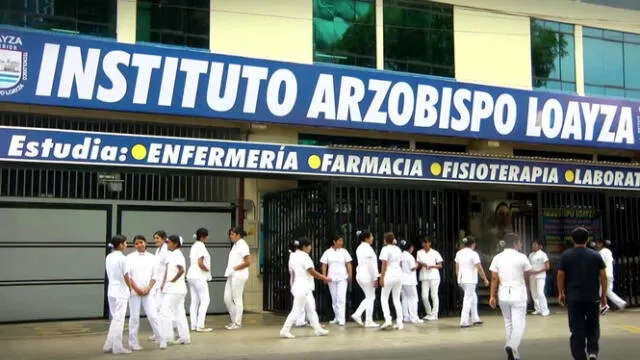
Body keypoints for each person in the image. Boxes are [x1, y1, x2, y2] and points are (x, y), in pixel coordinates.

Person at [557, 227, 608, 360]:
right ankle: (592, 351)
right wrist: (604, 296)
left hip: (574, 298)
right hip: (592, 297)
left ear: (572, 240)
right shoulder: (595, 255)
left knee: (576, 327)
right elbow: (603, 276)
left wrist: (561, 292)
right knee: (593, 324)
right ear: (587, 239)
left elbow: (560, 275)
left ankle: (579, 355)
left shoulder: (566, 255)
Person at [489, 233, 532, 360]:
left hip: (503, 294)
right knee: (519, 324)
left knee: (508, 323)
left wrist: (492, 295)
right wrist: (527, 289)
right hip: (518, 293)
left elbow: (494, 277)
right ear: (515, 243)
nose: (521, 245)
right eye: (519, 242)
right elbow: (528, 274)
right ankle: (511, 345)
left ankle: (514, 355)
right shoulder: (522, 257)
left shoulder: (497, 257)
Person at [279, 237, 331, 339]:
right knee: (296, 310)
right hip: (303, 287)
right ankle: (285, 330)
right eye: (309, 246)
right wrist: (324, 277)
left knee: (311, 308)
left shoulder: (293, 256)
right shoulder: (305, 257)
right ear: (304, 247)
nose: (310, 248)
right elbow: (311, 271)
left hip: (300, 286)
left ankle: (318, 329)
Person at [126, 235, 166, 351]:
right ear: (134, 245)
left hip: (148, 292)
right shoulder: (129, 257)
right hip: (134, 292)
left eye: (141, 242)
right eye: (137, 243)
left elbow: (155, 275)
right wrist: (137, 289)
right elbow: (128, 275)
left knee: (153, 315)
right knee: (134, 317)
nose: (139, 245)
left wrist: (148, 288)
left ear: (145, 243)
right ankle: (133, 342)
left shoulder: (153, 258)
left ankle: (161, 339)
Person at [103, 235, 132, 354]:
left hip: (111, 291)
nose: (126, 245)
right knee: (119, 320)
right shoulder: (123, 259)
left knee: (115, 319)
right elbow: (126, 276)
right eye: (125, 243)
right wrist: (130, 288)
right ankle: (117, 347)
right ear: (120, 244)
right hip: (121, 292)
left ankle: (108, 344)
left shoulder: (109, 256)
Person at [160, 235, 191, 345]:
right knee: (179, 313)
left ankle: (168, 337)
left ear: (175, 244)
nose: (167, 244)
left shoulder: (177, 255)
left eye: (169, 242)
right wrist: (164, 283)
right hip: (178, 289)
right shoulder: (173, 255)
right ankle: (185, 337)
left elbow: (181, 270)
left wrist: (172, 281)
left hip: (175, 289)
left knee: (164, 311)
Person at [455, 236, 490, 328]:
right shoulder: (474, 254)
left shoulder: (459, 253)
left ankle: (475, 318)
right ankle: (464, 321)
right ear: (473, 244)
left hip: (462, 279)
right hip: (470, 279)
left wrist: (458, 277)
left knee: (473, 298)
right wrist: (485, 279)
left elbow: (457, 268)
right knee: (468, 299)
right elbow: (479, 267)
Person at [320, 233, 353, 326]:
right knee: (334, 299)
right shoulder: (327, 252)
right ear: (334, 241)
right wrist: (324, 276)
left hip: (342, 277)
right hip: (331, 278)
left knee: (341, 298)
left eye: (342, 241)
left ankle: (342, 319)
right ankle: (337, 317)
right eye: (339, 240)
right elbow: (324, 264)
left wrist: (350, 274)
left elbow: (348, 264)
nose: (341, 242)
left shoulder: (344, 251)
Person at [224, 227, 251, 330]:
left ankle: (237, 322)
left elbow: (248, 262)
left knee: (237, 298)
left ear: (238, 235)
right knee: (227, 298)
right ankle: (234, 320)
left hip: (239, 275)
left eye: (232, 234)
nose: (230, 236)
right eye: (230, 234)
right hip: (231, 274)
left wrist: (235, 268)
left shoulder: (242, 245)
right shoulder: (235, 245)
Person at [351, 230, 380, 328]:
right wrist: (375, 278)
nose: (372, 238)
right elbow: (370, 264)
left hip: (360, 275)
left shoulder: (359, 248)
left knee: (369, 297)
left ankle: (359, 315)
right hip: (367, 275)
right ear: (366, 238)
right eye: (371, 236)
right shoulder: (367, 249)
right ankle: (367, 320)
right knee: (370, 297)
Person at [186, 227, 213, 332]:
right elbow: (200, 263)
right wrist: (208, 269)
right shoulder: (201, 246)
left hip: (191, 275)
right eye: (207, 235)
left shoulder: (194, 246)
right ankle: (200, 325)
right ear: (203, 236)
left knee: (195, 301)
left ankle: (193, 325)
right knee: (205, 300)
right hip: (198, 276)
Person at [379, 232, 404, 330]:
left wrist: (382, 277)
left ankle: (388, 319)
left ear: (385, 240)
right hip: (399, 275)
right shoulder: (398, 249)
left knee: (384, 298)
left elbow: (384, 264)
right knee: (397, 300)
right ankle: (399, 322)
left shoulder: (385, 249)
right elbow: (401, 263)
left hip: (389, 275)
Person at [595, 239, 627, 313]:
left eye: (597, 243)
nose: (596, 245)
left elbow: (600, 263)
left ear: (601, 244)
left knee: (599, 291)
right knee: (608, 291)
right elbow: (612, 262)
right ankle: (621, 303)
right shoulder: (609, 251)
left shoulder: (601, 252)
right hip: (610, 274)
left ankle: (601, 307)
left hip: (604, 274)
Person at [416, 236, 444, 321]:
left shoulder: (435, 252)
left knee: (434, 295)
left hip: (434, 276)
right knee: (424, 296)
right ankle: (429, 313)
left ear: (430, 243)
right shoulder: (419, 252)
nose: (424, 244)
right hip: (424, 276)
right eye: (423, 243)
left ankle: (435, 314)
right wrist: (422, 264)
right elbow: (418, 263)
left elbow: (440, 265)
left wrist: (432, 266)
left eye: (426, 242)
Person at [400, 240, 421, 324]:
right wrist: (417, 265)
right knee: (413, 298)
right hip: (410, 280)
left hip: (402, 280)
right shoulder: (409, 256)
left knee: (405, 299)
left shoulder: (401, 255)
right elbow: (412, 268)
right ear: (410, 248)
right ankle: (414, 317)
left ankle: (406, 316)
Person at [288, 240, 308, 327]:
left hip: (296, 280)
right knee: (300, 301)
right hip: (297, 280)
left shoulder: (295, 255)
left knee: (301, 301)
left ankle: (300, 319)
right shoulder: (294, 256)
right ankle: (299, 320)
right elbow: (292, 270)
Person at [528, 239, 551, 316]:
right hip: (532, 276)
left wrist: (537, 271)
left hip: (540, 276)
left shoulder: (543, 254)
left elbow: (547, 267)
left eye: (535, 245)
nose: (533, 246)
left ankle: (545, 310)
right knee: (534, 293)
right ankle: (538, 309)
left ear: (540, 246)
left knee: (540, 292)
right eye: (532, 245)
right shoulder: (530, 255)